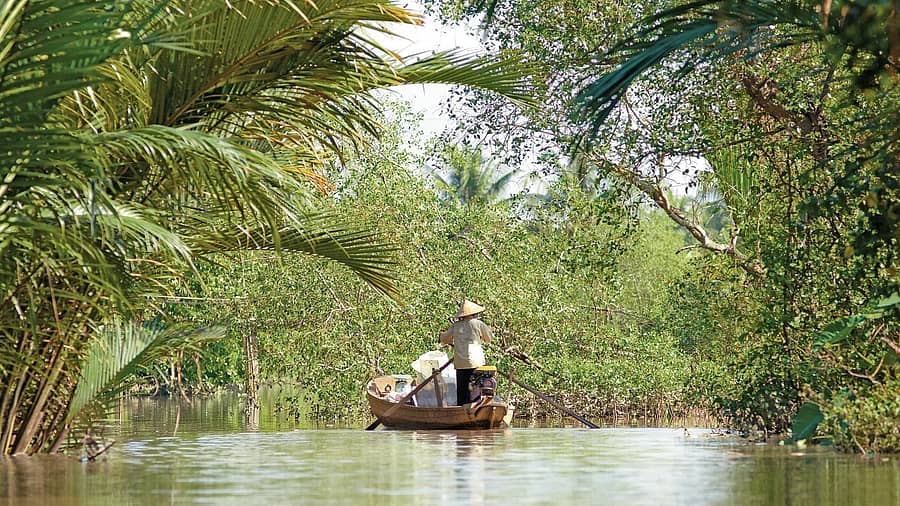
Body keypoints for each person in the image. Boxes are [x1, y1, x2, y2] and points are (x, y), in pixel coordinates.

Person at [439, 300, 493, 406]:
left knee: (462, 391)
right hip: (476, 362)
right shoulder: (478, 324)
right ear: (474, 314)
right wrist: (480, 337)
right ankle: (475, 409)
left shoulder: (456, 325)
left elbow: (444, 339)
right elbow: (488, 339)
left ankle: (461, 410)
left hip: (460, 363)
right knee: (475, 389)